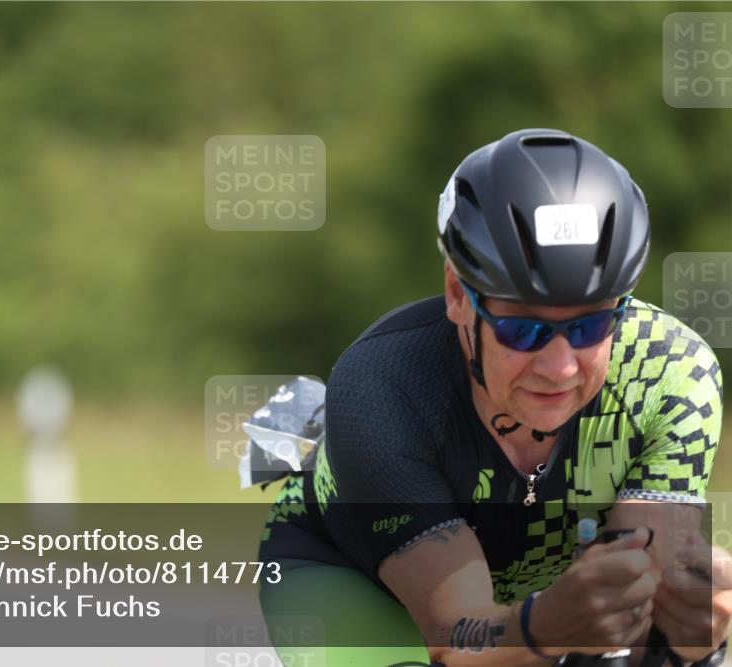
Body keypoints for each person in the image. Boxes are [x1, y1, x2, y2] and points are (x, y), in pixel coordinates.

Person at [251, 128, 729, 666]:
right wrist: (544, 629)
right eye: (523, 330)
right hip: (352, 576)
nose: (559, 367)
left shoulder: (672, 376)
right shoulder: (382, 388)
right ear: (458, 294)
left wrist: (691, 634)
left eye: (591, 326)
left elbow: (644, 609)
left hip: (538, 594)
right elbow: (457, 638)